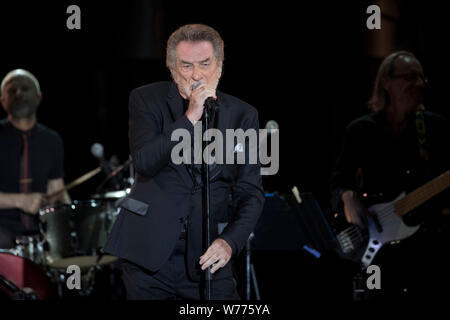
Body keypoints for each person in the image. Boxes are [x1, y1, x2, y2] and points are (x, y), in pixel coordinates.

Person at [104, 24, 265, 300]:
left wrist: (230, 242)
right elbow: (144, 161)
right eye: (187, 66)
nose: (197, 75)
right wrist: (189, 118)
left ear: (220, 65)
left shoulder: (243, 115)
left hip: (208, 256)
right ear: (172, 68)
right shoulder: (146, 100)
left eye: (205, 64)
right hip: (148, 257)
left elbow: (251, 192)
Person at [330, 51, 449, 300]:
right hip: (377, 248)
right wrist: (348, 196)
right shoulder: (361, 130)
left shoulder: (435, 128)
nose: (419, 84)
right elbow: (338, 182)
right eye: (410, 77)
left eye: (421, 78)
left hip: (427, 247)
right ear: (387, 82)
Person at [0, 69, 70, 249]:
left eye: (25, 88)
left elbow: (57, 189)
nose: (19, 93)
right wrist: (21, 201)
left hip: (42, 231)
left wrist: (69, 214)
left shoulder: (52, 140)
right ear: (2, 100)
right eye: (12, 90)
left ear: (39, 97)